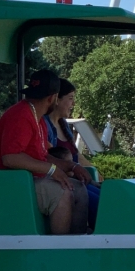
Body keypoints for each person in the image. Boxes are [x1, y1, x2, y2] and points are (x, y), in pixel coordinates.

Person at [0, 69, 88, 234]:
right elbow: (10, 158)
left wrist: (72, 166)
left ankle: (79, 243)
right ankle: (59, 247)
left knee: (79, 189)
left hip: (21, 180)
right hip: (2, 183)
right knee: (62, 193)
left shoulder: (37, 117)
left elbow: (42, 156)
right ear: (52, 98)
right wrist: (51, 170)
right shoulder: (20, 115)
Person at [44, 78, 101, 224]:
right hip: (62, 181)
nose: (73, 104)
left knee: (107, 196)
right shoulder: (44, 125)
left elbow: (76, 155)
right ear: (57, 99)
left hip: (76, 179)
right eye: (70, 99)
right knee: (101, 206)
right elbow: (48, 156)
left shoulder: (63, 124)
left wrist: (96, 173)